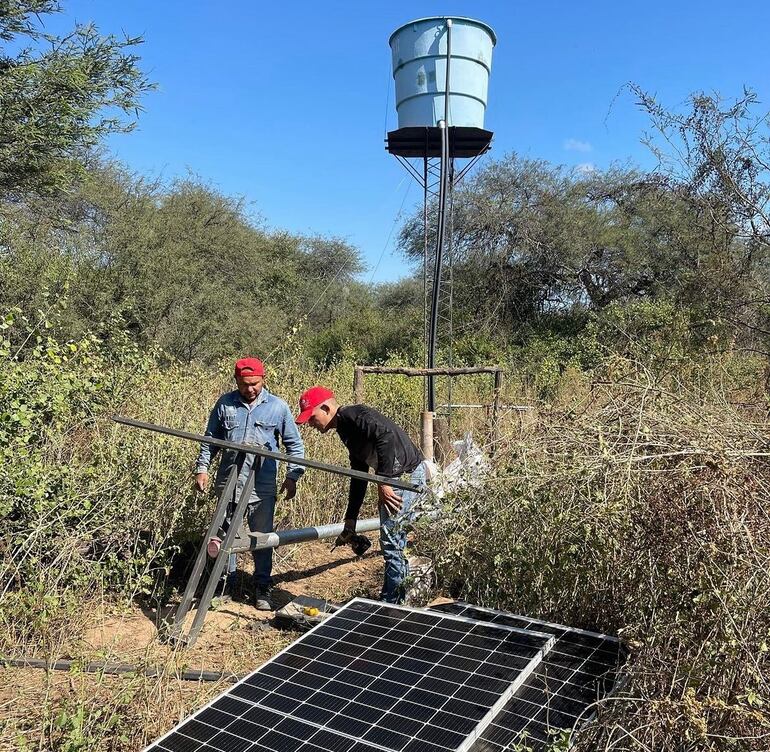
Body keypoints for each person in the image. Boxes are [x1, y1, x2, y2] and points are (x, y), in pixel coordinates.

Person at [295, 386, 426, 604]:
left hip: (404, 476)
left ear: (326, 408)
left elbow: (386, 436)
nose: (310, 424)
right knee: (393, 542)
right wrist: (351, 519)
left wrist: (383, 480)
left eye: (312, 417)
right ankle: (395, 598)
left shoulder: (354, 416)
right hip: (396, 476)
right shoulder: (345, 429)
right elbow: (359, 473)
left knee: (393, 544)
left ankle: (393, 604)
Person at [195, 357, 305, 610]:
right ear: (236, 381)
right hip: (228, 483)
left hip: (262, 486)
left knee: (262, 538)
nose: (250, 389)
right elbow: (210, 440)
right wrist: (202, 469)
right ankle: (225, 585)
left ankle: (262, 588)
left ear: (263, 379)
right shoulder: (225, 404)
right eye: (244, 384)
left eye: (254, 383)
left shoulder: (277, 407)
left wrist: (292, 476)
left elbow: (294, 445)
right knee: (224, 536)